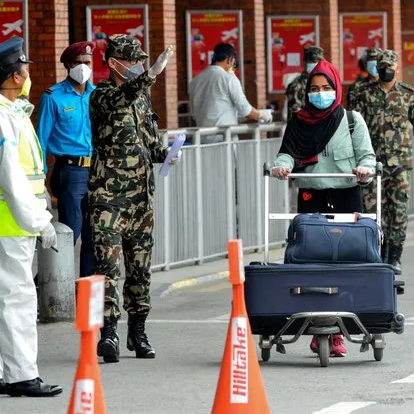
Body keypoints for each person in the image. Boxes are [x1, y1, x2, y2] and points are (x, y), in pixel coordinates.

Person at [271, 59, 376, 358]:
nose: (321, 93)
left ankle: (341, 331)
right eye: (315, 88)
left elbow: (367, 155)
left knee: (347, 265)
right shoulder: (299, 121)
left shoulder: (352, 120)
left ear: (337, 88)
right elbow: (287, 153)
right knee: (311, 264)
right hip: (312, 197)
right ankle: (313, 328)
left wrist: (365, 169)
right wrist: (282, 166)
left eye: (327, 87)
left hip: (346, 196)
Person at [89, 34, 180, 364]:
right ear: (114, 63)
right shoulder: (102, 95)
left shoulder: (142, 100)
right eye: (135, 62)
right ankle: (109, 332)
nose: (140, 66)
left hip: (140, 201)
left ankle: (138, 331)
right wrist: (151, 74)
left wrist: (166, 153)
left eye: (143, 62)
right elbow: (123, 96)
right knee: (108, 269)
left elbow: (150, 145)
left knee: (139, 271)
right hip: (108, 199)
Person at [0, 36, 63, 397]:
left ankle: (7, 371)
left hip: (13, 222)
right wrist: (40, 222)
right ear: (10, 75)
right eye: (23, 68)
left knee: (6, 298)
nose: (28, 73)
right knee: (18, 300)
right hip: (12, 223)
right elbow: (11, 178)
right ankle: (22, 375)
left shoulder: (15, 113)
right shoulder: (5, 119)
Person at [352, 50, 414, 273]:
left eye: (390, 67)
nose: (386, 70)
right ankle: (375, 252)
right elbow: (353, 128)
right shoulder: (363, 94)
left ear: (397, 68)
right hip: (371, 162)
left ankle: (394, 255)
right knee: (372, 209)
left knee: (398, 209)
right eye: (382, 67)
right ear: (377, 68)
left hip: (400, 163)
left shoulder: (407, 95)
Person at [37, 41, 96, 277]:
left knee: (94, 234)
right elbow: (40, 140)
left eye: (87, 63)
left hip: (96, 170)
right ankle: (48, 285)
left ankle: (85, 288)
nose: (83, 67)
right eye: (78, 63)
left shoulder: (97, 95)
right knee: (70, 231)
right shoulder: (53, 97)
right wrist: (40, 176)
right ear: (67, 66)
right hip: (69, 171)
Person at [188, 43, 272, 130]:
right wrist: (263, 115)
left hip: (201, 137)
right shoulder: (229, 79)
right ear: (230, 60)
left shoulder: (195, 80)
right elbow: (244, 109)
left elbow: (195, 113)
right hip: (224, 137)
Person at [285, 46, 324, 120]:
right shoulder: (297, 85)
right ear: (305, 63)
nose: (316, 64)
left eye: (318, 62)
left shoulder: (324, 82)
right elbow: (295, 114)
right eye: (312, 62)